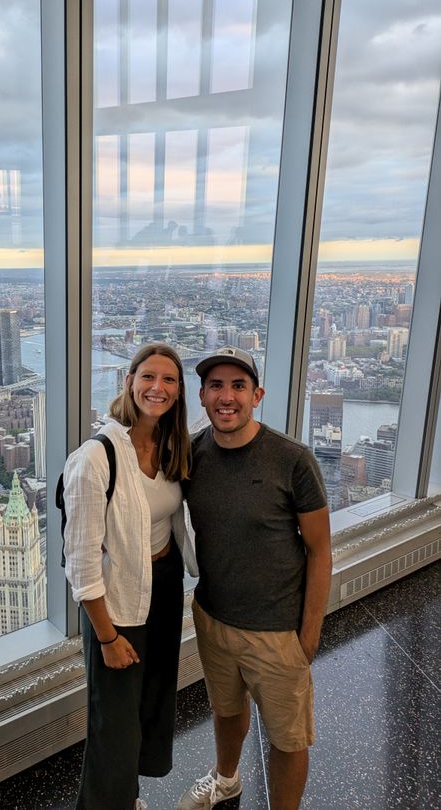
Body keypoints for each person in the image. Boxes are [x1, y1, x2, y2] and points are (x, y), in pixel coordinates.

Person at [177, 347, 332, 810]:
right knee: (225, 711)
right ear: (202, 396)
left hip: (277, 631)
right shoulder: (191, 455)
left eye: (238, 386)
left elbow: (320, 549)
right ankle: (226, 780)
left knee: (288, 739)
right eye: (216, 386)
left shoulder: (293, 460)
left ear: (257, 395)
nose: (227, 397)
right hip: (213, 617)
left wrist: (308, 635)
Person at [63, 343, 197, 810]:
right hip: (116, 600)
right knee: (114, 721)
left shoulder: (173, 445)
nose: (157, 388)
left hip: (163, 585)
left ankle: (127, 796)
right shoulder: (96, 457)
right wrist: (106, 636)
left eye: (169, 380)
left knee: (150, 702)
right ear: (130, 382)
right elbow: (79, 562)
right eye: (149, 377)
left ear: (179, 392)